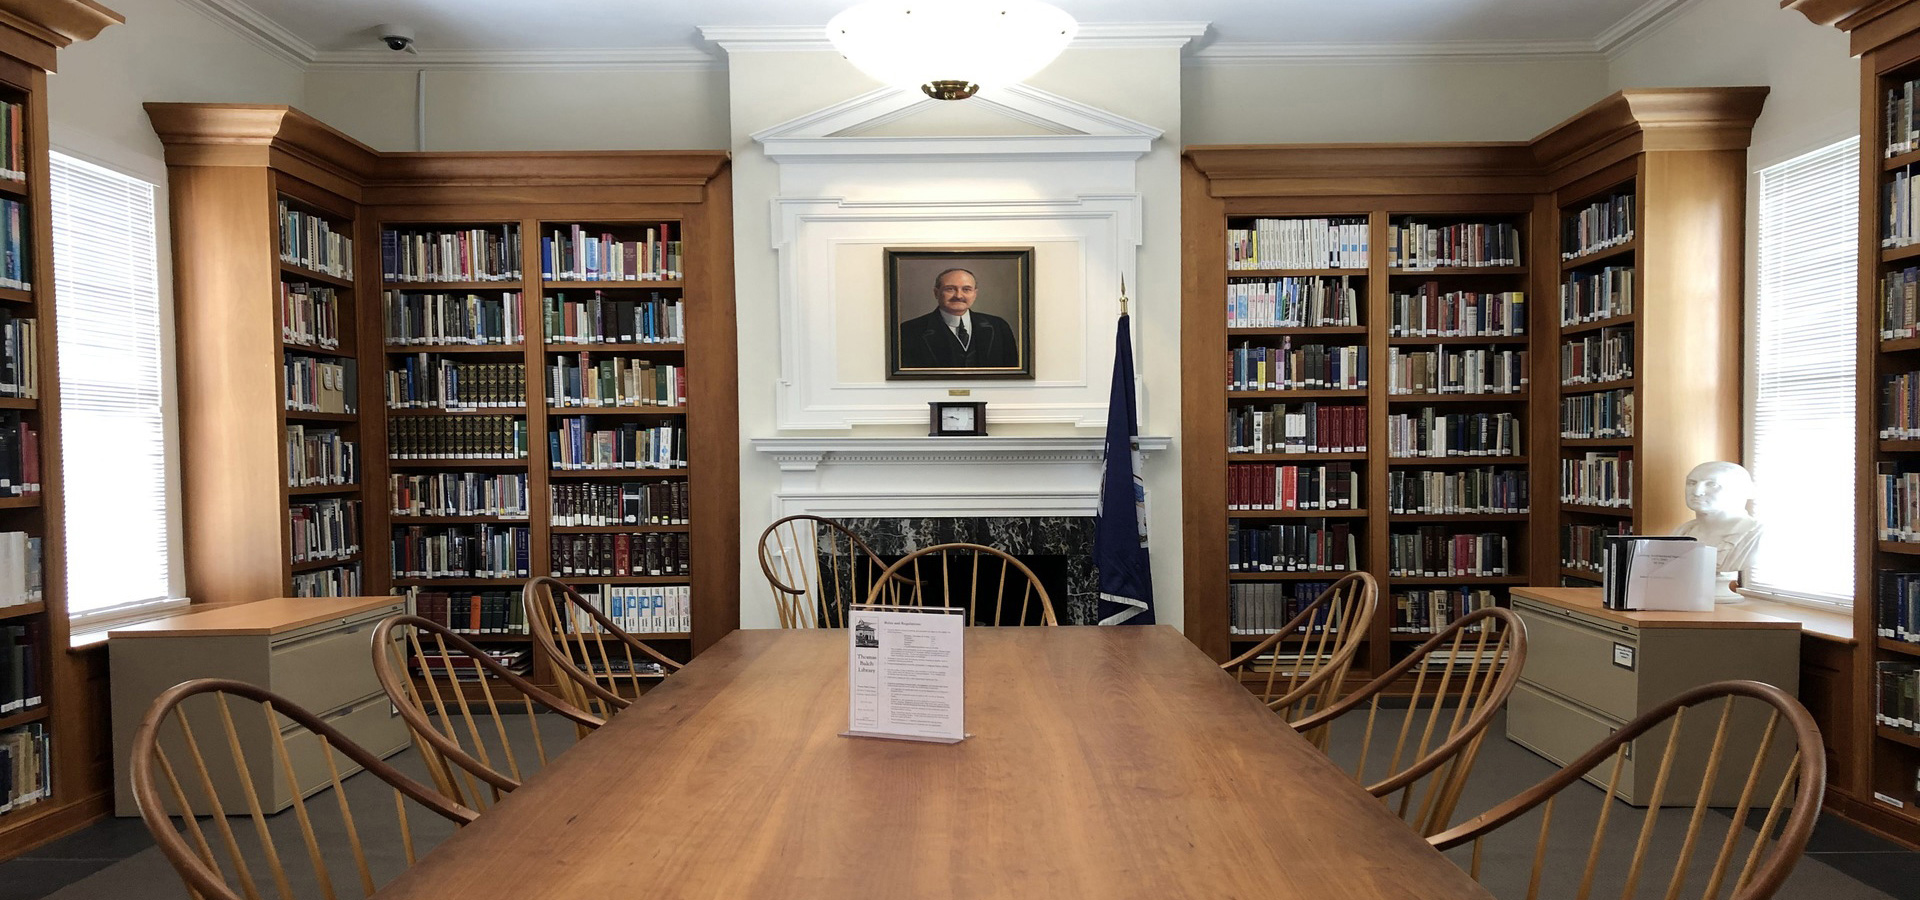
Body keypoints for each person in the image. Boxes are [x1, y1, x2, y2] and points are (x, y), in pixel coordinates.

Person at [897, 267, 1020, 370]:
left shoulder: (999, 326)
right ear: (936, 293)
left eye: (966, 289)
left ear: (975, 294)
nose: (959, 296)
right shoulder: (909, 331)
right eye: (950, 289)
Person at [1671, 460, 1764, 576]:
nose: (1697, 492)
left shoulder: (1759, 537)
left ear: (1741, 490)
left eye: (1712, 484)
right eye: (1692, 483)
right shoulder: (1682, 532)